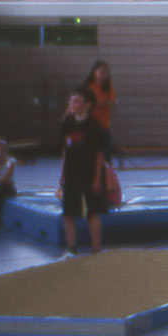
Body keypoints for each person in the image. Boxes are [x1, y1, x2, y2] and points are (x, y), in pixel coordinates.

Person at [59, 87, 109, 255]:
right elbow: (66, 149)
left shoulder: (94, 125)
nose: (73, 103)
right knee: (68, 212)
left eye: (77, 100)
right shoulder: (67, 122)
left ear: (87, 104)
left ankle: (96, 249)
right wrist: (62, 173)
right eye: (71, 100)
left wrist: (97, 179)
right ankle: (72, 248)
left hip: (88, 174)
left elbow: (99, 154)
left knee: (91, 213)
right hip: (71, 173)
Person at [82, 59, 118, 162]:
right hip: (90, 125)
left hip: (104, 126)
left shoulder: (109, 87)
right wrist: (101, 102)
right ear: (95, 72)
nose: (104, 74)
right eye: (102, 71)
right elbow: (85, 104)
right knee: (90, 155)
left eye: (106, 72)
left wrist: (101, 102)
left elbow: (113, 102)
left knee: (106, 157)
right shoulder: (88, 86)